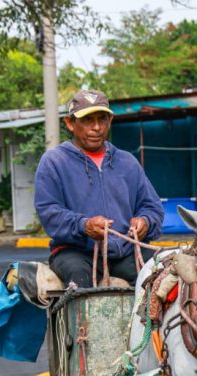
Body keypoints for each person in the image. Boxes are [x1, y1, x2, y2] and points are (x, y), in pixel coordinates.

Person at [33, 89, 164, 288]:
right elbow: (49, 212)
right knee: (79, 281)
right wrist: (83, 225)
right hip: (75, 253)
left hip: (126, 252)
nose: (96, 127)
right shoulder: (54, 162)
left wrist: (145, 221)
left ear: (109, 121)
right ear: (70, 123)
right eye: (87, 120)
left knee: (163, 271)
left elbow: (152, 207)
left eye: (102, 119)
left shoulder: (127, 162)